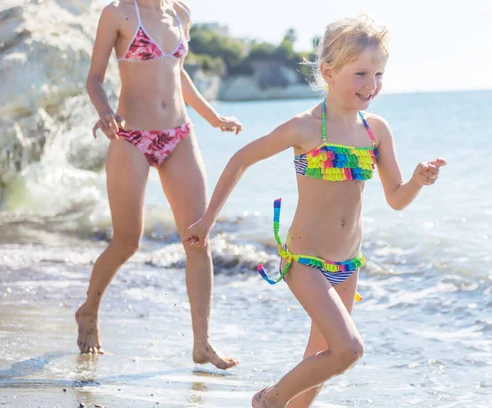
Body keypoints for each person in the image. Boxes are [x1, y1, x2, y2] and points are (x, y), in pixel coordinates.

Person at [183, 13, 446, 407]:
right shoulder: (305, 127)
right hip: (305, 260)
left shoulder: (375, 130)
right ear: (328, 71)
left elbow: (396, 199)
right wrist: (207, 220)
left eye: (378, 75)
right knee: (348, 350)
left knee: (319, 367)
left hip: (348, 265)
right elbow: (240, 159)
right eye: (360, 74)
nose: (370, 85)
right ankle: (268, 400)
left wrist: (417, 182)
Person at [76, 0, 240, 370]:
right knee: (127, 242)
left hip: (179, 134)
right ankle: (88, 311)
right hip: (130, 134)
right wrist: (105, 113)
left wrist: (213, 118)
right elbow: (94, 79)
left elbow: (177, 72)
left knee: (198, 238)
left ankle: (202, 343)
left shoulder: (181, 13)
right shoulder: (118, 13)